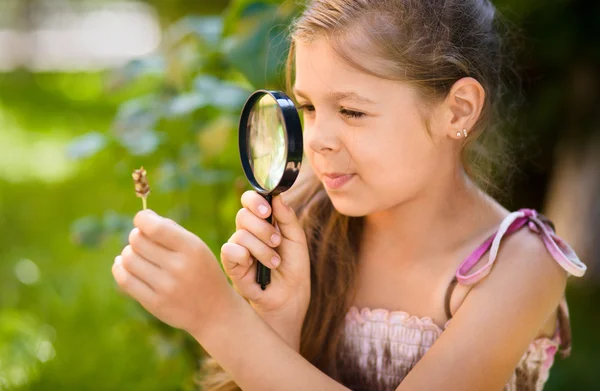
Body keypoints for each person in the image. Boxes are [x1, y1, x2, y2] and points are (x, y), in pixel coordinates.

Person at [111, 0, 588, 390]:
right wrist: (278, 320)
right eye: (309, 107)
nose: (317, 139)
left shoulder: (519, 265)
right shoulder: (305, 214)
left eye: (353, 112)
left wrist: (218, 317)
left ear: (457, 110)